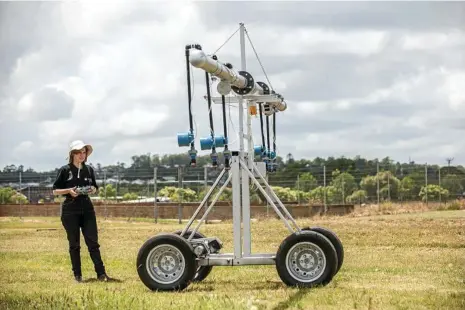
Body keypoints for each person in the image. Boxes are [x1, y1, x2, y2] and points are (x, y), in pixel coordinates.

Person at [52, 140, 110, 283]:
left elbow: (95, 187)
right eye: (78, 152)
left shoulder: (89, 169)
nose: (81, 155)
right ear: (72, 154)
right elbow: (55, 191)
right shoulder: (65, 170)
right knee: (74, 244)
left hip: (87, 208)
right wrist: (69, 191)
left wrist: (92, 189)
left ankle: (101, 274)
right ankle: (77, 276)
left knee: (93, 243)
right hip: (70, 209)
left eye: (84, 152)